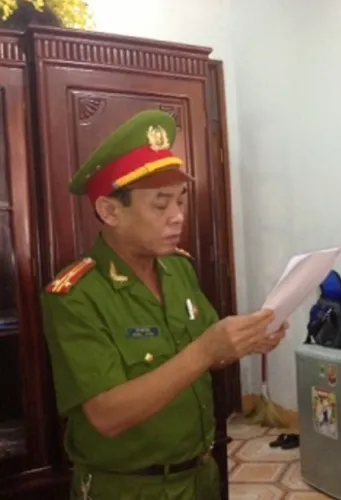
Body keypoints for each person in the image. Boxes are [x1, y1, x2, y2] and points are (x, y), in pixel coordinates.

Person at [41, 110, 287, 500]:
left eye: (181, 201)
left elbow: (211, 350)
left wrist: (246, 340)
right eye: (160, 205)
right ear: (109, 211)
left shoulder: (178, 269)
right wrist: (207, 349)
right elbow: (106, 414)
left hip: (200, 475)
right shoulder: (76, 295)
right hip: (129, 488)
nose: (178, 217)